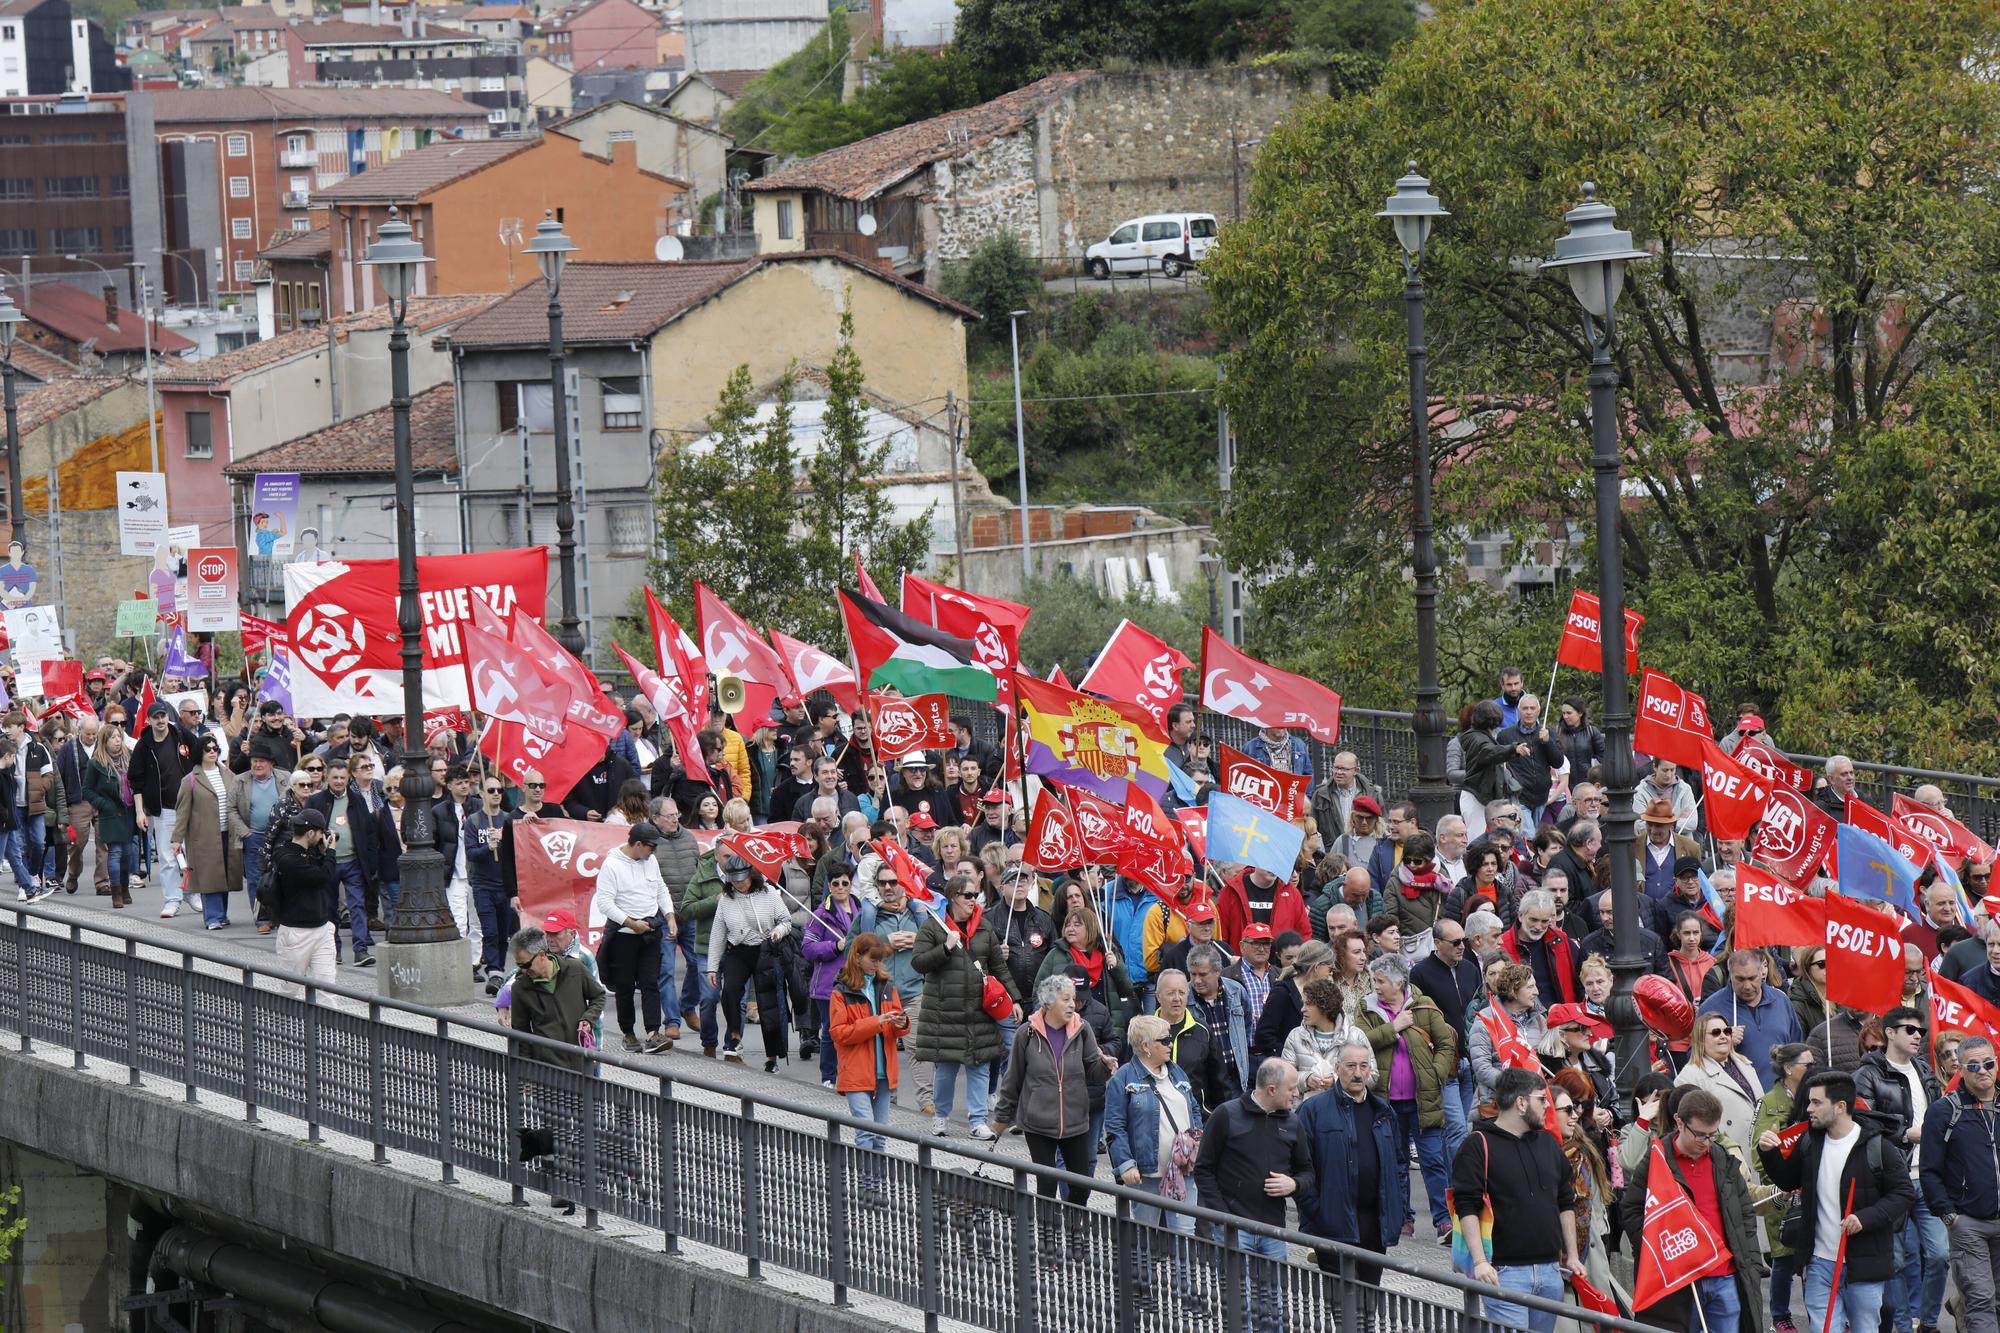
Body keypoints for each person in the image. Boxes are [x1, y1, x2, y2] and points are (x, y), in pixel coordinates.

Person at [1757, 1071, 1916, 1333]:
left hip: (1863, 1263)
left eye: (1816, 1103)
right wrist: (1770, 1153)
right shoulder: (1809, 1141)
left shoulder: (1878, 1146)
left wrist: (1864, 1218)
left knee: (1865, 1328)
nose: (1808, 1109)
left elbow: (1902, 1194)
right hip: (1819, 1262)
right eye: (1809, 1101)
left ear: (1841, 1107)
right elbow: (1787, 1182)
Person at [1619, 1086, 1766, 1332]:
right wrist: (1654, 1250)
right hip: (1681, 1281)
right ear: (1679, 1121)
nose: (1706, 1143)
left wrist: (1750, 1261)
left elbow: (1745, 1213)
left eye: (1712, 1134)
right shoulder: (1657, 1159)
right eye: (1700, 1135)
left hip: (1725, 1275)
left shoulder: (1722, 1158)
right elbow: (1631, 1210)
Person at [1451, 1067, 1582, 1333]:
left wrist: (1573, 1257)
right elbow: (1467, 1206)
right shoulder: (1477, 1145)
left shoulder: (1548, 1144)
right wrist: (1480, 1262)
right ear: (1521, 1103)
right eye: (1541, 1100)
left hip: (1549, 1271)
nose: (1547, 1107)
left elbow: (1566, 1201)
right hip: (1505, 1274)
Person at [992, 972, 1117, 1250]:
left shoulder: (1082, 1029)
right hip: (1038, 1122)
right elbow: (1013, 1079)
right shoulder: (1027, 1033)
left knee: (1082, 1185)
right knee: (1047, 1185)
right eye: (1066, 999)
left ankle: (1075, 1235)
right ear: (1049, 1003)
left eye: (1073, 999)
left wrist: (1106, 1067)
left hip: (1075, 1121)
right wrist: (1002, 1118)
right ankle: (1048, 1243)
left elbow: (1092, 1074)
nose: (1073, 1004)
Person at [1192, 1058, 1315, 1330]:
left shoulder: (1293, 1122)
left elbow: (1307, 1172)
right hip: (1234, 1229)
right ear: (1272, 1090)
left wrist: (1293, 1185)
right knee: (1239, 1307)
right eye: (1292, 1088)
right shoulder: (1226, 1115)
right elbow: (1203, 1170)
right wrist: (1223, 1217)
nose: (1297, 1093)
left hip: (1273, 1231)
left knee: (1274, 1308)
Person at [1854, 1005, 1947, 1333]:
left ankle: (1929, 1322)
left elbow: (1939, 1115)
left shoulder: (1923, 1069)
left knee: (1939, 1255)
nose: (1917, 1036)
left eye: (1920, 1031)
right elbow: (1861, 1123)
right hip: (1891, 1179)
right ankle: (1906, 1326)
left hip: (1929, 1176)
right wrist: (1905, 1135)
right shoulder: (1867, 1074)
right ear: (1889, 1033)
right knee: (1896, 1261)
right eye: (1909, 1029)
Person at [506, 924, 607, 1215]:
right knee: (556, 1127)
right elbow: (521, 1033)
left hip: (581, 1064)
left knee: (585, 1123)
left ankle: (584, 1181)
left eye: (524, 964)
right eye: (518, 965)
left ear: (542, 955)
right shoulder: (522, 987)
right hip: (548, 1069)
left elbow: (598, 995)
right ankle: (559, 1188)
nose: (522, 970)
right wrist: (526, 1074)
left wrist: (588, 1018)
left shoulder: (574, 970)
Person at [1105, 1013, 1204, 1312]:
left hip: (1183, 1172)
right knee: (1145, 1233)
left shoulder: (1177, 1073)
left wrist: (1196, 1141)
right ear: (1145, 1046)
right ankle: (1141, 1290)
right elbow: (1114, 1128)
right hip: (1146, 1173)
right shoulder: (1123, 1079)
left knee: (1184, 1233)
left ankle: (1187, 1294)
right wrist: (1125, 1166)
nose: (1170, 1044)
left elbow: (1195, 1111)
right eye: (1165, 1040)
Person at [1356, 952, 1456, 1241]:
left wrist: (1435, 1073)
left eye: (1381, 980)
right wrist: (1393, 1027)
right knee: (1396, 1162)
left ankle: (1443, 1221)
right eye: (1374, 980)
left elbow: (1446, 1043)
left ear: (1399, 982)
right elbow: (1360, 1042)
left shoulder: (1424, 1006)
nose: (1375, 985)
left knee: (1433, 1161)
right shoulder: (1366, 1008)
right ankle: (1402, 1219)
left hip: (1423, 1099)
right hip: (1385, 1100)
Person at [913, 874, 1021, 1140]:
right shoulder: (933, 927)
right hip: (945, 1012)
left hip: (979, 1010)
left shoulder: (983, 927)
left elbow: (998, 967)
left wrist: (1014, 999)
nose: (974, 900)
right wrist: (946, 948)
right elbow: (918, 963)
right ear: (953, 897)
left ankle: (977, 1121)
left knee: (980, 1065)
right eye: (969, 896)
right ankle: (941, 1117)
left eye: (977, 895)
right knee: (947, 1069)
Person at [1919, 1034, 2000, 1333]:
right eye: (1974, 1065)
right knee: (1980, 1298)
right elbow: (1929, 1169)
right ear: (1961, 1069)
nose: (1983, 1071)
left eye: (1988, 1063)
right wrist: (1949, 1215)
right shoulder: (1943, 1111)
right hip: (1968, 1224)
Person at [828, 932, 906, 1204]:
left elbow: (898, 1024)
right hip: (857, 1072)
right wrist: (877, 1022)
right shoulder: (841, 992)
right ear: (858, 957)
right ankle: (866, 1189)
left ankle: (877, 1188)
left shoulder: (886, 985)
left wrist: (901, 1023)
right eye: (873, 959)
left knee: (880, 1134)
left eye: (879, 960)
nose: (876, 964)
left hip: (883, 1072)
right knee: (866, 1132)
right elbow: (839, 1033)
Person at [591, 821, 677, 1054]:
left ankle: (652, 1032)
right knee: (624, 986)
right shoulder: (612, 865)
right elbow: (605, 903)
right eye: (651, 847)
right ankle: (628, 1033)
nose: (654, 852)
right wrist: (630, 923)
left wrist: (669, 915)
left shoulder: (651, 861)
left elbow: (661, 889)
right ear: (638, 844)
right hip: (624, 935)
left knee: (651, 982)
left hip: (650, 930)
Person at [706, 854, 791, 1070]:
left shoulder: (769, 893)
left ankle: (772, 1057)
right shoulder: (726, 900)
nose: (739, 884)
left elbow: (785, 920)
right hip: (739, 950)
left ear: (751, 876)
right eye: (734, 880)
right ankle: (734, 1034)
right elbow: (718, 934)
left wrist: (778, 932)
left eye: (742, 879)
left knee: (768, 1004)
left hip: (764, 948)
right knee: (730, 991)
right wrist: (712, 967)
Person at [1756, 1042, 1816, 1333]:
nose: (1813, 1070)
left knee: (1811, 1256)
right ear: (1789, 1068)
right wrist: (1779, 1181)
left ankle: (1816, 1311)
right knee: (1783, 1255)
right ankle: (1780, 1314)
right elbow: (1759, 1152)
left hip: (1811, 1188)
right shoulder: (1769, 1102)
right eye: (1808, 1064)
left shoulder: (1815, 1098)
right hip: (1783, 1192)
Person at [1412, 916, 1482, 1156]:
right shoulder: (1420, 973)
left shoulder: (1471, 970)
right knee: (1457, 1130)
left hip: (1468, 1061)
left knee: (1462, 1128)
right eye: (1455, 942)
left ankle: (1452, 1183)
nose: (1462, 946)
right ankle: (1457, 1188)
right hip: (1444, 1063)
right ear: (1437, 943)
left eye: (1464, 940)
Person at [804, 864, 877, 1090]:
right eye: (835, 883)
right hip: (828, 984)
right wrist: (835, 945)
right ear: (829, 885)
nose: (840, 887)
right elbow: (807, 948)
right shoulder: (821, 914)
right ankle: (829, 1074)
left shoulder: (862, 909)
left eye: (845, 882)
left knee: (856, 1029)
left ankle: (852, 1073)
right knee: (830, 1030)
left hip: (857, 982)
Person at [306, 759, 382, 967]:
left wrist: (371, 863)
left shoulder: (357, 800)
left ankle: (360, 950)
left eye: (342, 777)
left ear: (348, 777)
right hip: (328, 862)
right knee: (330, 908)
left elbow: (369, 833)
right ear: (327, 778)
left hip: (353, 861)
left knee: (357, 904)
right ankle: (334, 949)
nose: (339, 781)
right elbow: (308, 832)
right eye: (335, 777)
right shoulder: (317, 801)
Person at [1676, 1009, 1767, 1177]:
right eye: (1716, 1033)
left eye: (1727, 1031)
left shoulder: (1745, 1063)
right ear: (1701, 1039)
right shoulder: (1689, 1075)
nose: (1723, 1036)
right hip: (1725, 1156)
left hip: (1758, 1150)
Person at [171, 733, 247, 931]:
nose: (212, 752)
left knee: (225, 875)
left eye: (216, 749)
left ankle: (221, 915)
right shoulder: (190, 780)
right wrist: (177, 838)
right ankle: (212, 917)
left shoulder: (228, 774)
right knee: (209, 877)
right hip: (203, 836)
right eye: (208, 749)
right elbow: (182, 811)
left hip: (227, 833)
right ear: (200, 752)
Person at [264, 807, 339, 997]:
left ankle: (325, 1027)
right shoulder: (287, 858)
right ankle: (282, 1025)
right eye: (322, 832)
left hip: (322, 929)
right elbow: (324, 877)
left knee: (327, 989)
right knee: (289, 991)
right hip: (295, 934)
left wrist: (322, 853)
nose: (324, 836)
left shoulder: (309, 853)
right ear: (311, 833)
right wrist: (330, 853)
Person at [1469, 962, 1546, 1106]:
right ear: (1513, 991)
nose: (1536, 992)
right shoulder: (1485, 1021)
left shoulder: (1540, 1020)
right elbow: (1482, 1069)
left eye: (1535, 986)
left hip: (1535, 1103)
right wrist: (1518, 1086)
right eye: (1530, 987)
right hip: (1498, 1104)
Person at [82, 726, 140, 909]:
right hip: (111, 812)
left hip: (129, 809)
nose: (117, 740)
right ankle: (116, 893)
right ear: (104, 741)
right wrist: (104, 805)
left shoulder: (129, 757)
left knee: (128, 853)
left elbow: (138, 780)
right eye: (113, 737)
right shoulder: (96, 763)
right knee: (115, 853)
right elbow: (87, 791)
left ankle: (124, 888)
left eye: (119, 737)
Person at [1252, 938, 1337, 1059]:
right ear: (1316, 967)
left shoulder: (1325, 991)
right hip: (1290, 1070)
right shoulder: (1282, 992)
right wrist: (1290, 1058)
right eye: (1330, 968)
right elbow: (1263, 1036)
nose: (1331, 973)